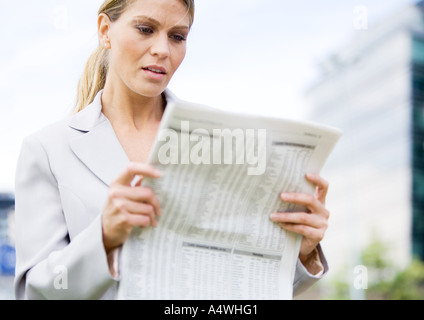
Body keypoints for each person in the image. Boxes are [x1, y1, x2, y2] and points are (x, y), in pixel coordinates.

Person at [14, 0, 329, 300]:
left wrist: (300, 250)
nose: (162, 50)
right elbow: (34, 291)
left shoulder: (221, 138)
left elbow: (245, 284)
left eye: (177, 36)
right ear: (105, 31)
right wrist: (104, 236)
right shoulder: (48, 149)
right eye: (145, 29)